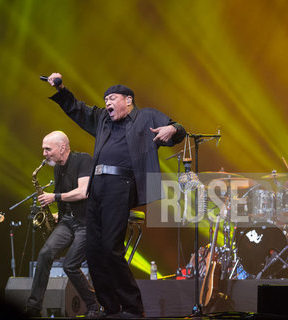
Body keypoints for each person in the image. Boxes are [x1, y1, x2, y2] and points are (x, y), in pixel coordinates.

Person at [44, 73, 186, 318]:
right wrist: (61, 88)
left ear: (128, 100)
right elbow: (77, 109)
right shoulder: (102, 119)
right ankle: (110, 308)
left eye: (112, 98)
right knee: (93, 251)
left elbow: (180, 131)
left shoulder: (146, 117)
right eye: (105, 99)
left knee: (111, 247)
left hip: (121, 184)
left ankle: (133, 307)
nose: (107, 102)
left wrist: (172, 128)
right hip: (96, 185)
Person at [25, 131, 101, 318]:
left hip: (87, 223)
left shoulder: (83, 160)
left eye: (47, 149)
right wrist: (57, 213)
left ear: (62, 147)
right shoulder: (57, 168)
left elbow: (83, 192)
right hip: (68, 221)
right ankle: (34, 307)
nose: (44, 153)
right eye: (43, 149)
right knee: (44, 255)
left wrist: (54, 197)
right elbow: (67, 200)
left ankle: (94, 307)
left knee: (70, 265)